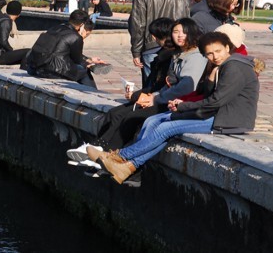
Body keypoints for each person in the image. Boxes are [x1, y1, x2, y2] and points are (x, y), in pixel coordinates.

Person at [85, 32, 259, 184]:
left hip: (228, 119)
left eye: (218, 51)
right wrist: (210, 77)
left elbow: (215, 101)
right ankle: (129, 168)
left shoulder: (235, 67)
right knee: (155, 120)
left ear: (228, 47)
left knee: (167, 127)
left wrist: (184, 106)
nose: (215, 57)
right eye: (210, 54)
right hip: (216, 113)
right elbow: (207, 94)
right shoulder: (224, 65)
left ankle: (120, 156)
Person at [85, 18, 206, 155]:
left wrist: (155, 99)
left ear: (192, 33)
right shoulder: (178, 53)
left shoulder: (196, 56)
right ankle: (99, 148)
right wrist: (153, 97)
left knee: (133, 117)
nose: (179, 36)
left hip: (179, 104)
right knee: (118, 112)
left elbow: (186, 87)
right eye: (175, 32)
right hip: (166, 99)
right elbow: (169, 85)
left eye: (184, 32)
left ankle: (108, 154)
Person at [128, 0, 190, 82]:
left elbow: (138, 25)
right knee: (172, 82)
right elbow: (187, 18)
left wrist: (136, 51)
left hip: (151, 45)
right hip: (176, 43)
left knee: (151, 84)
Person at [25, 10, 108, 87]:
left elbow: (62, 51)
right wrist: (89, 64)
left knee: (81, 66)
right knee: (84, 70)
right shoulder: (75, 37)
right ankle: (92, 94)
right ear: (82, 25)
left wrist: (90, 59)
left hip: (34, 69)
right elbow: (77, 60)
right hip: (53, 72)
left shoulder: (54, 28)